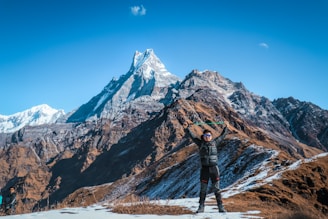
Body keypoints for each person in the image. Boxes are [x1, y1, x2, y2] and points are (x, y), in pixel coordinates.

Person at [185, 122, 228, 213]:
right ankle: (201, 207)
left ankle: (220, 207)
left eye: (209, 135)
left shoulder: (215, 142)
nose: (207, 137)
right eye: (205, 135)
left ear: (211, 136)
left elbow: (222, 136)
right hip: (204, 169)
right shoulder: (200, 143)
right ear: (203, 136)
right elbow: (192, 136)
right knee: (203, 189)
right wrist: (188, 129)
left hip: (214, 169)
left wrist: (226, 128)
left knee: (216, 189)